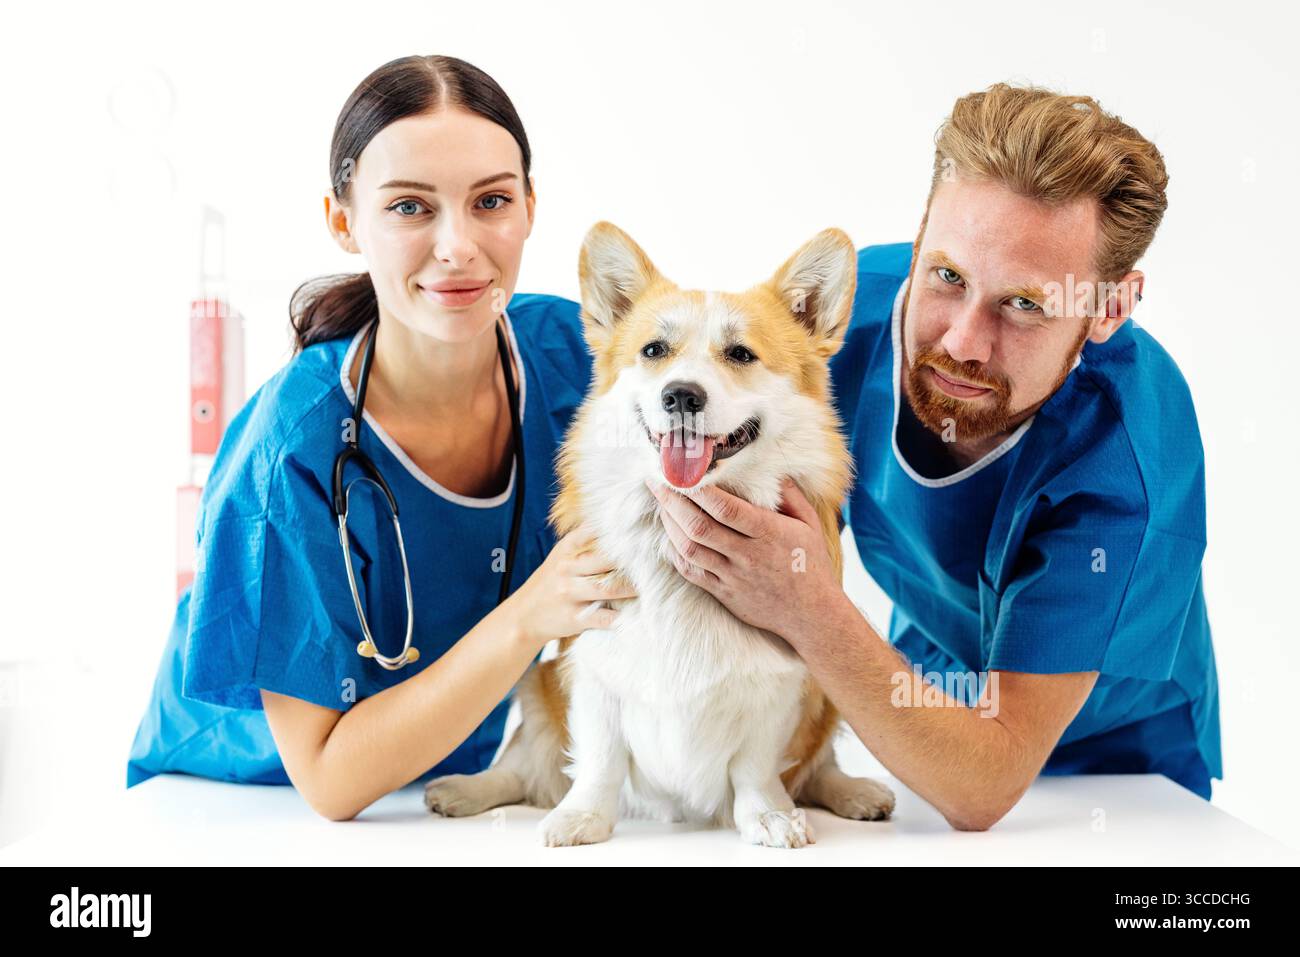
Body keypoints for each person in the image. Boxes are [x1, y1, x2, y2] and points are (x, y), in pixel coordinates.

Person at [644, 83, 1220, 830]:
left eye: (1025, 304)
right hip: (919, 700)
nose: (961, 343)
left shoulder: (1127, 458)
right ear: (919, 242)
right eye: (948, 276)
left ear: (1107, 307)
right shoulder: (833, 330)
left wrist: (811, 607)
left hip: (1113, 772)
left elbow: (983, 786)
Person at [126, 54, 636, 821]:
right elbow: (329, 782)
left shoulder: (574, 360)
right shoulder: (291, 448)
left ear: (530, 206)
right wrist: (532, 612)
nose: (458, 245)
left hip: (437, 786)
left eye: (491, 200)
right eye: (409, 207)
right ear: (343, 220)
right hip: (239, 800)